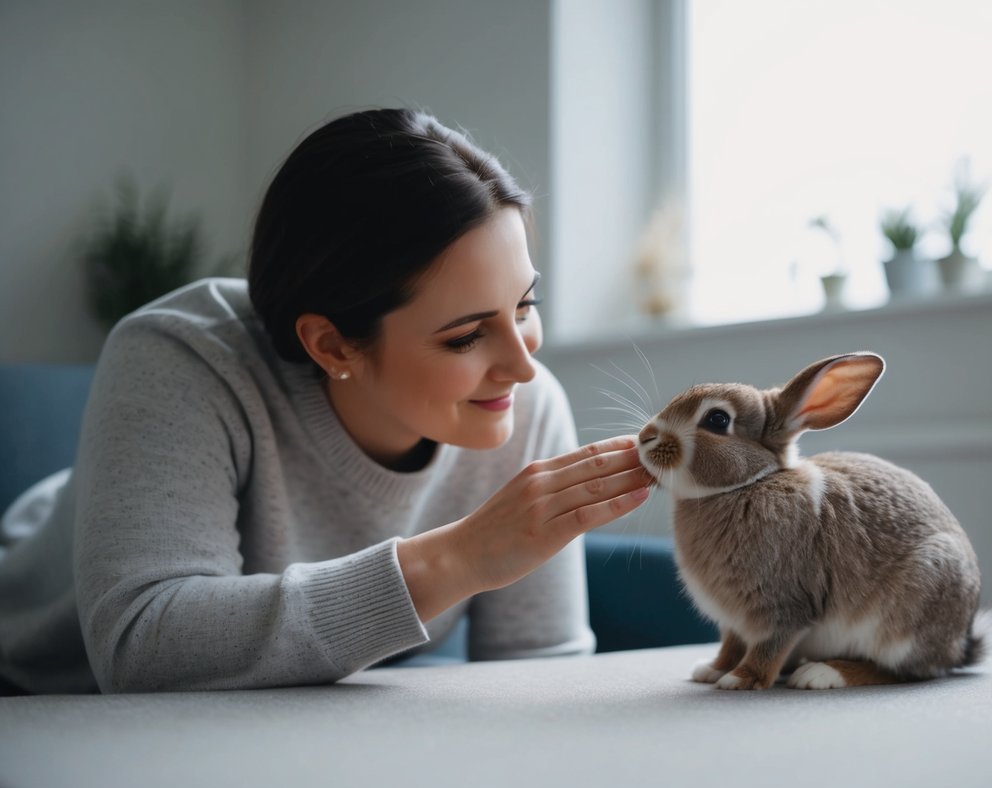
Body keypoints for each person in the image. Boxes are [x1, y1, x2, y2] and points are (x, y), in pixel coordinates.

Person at [0, 108, 651, 694]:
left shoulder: (523, 409)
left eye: (525, 305)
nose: (522, 365)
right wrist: (456, 558)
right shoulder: (182, 353)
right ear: (333, 346)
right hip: (42, 676)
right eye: (466, 336)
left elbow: (538, 675)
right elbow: (140, 645)